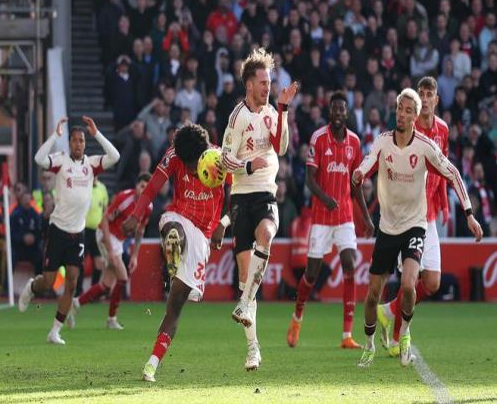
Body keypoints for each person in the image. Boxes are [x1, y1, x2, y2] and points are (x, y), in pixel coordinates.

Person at [352, 88, 482, 368]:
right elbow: (366, 162)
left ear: (415, 117)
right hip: (387, 228)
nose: (402, 114)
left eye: (408, 111)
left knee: (410, 284)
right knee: (372, 295)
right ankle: (370, 344)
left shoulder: (425, 146)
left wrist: (469, 214)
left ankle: (405, 333)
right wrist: (360, 172)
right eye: (400, 108)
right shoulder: (382, 142)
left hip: (415, 225)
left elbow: (453, 173)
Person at [122, 124, 229, 382]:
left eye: (194, 165)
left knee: (176, 304)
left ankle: (152, 363)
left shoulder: (220, 158)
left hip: (203, 234)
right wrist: (136, 215)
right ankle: (173, 251)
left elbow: (237, 194)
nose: (192, 170)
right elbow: (152, 187)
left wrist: (223, 223)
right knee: (173, 228)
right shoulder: (174, 155)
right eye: (187, 165)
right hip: (178, 216)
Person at [220, 47, 298, 371]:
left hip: (266, 192)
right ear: (249, 84)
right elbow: (225, 159)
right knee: (244, 274)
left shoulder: (272, 111)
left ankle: (243, 303)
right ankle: (253, 348)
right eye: (263, 83)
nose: (268, 87)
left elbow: (281, 146)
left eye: (270, 82)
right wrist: (249, 165)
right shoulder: (237, 117)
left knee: (266, 233)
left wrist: (284, 110)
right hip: (241, 196)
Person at [18, 116, 120, 345]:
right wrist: (54, 136)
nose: (78, 144)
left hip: (78, 233)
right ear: (69, 143)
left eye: (81, 140)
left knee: (72, 283)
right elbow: (38, 158)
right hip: (57, 231)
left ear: (85, 143)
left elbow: (115, 156)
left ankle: (55, 331)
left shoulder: (91, 164)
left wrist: (97, 133)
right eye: (74, 140)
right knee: (48, 282)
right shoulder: (61, 161)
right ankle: (32, 287)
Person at [286, 91, 375, 350]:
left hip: (345, 216)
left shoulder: (354, 142)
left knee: (350, 265)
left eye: (341, 109)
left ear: (346, 113)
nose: (337, 113)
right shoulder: (318, 138)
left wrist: (366, 218)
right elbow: (309, 179)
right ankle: (297, 317)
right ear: (330, 112)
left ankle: (347, 335)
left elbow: (356, 185)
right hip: (322, 217)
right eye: (334, 109)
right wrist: (325, 199)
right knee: (311, 273)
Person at [377, 76, 450, 356]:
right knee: (409, 280)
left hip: (429, 216)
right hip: (407, 217)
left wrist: (444, 204)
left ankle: (388, 311)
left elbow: (443, 169)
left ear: (436, 100)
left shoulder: (443, 130)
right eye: (422, 93)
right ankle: (397, 338)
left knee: (432, 282)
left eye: (429, 94)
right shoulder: (407, 129)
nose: (425, 98)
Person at [68, 173, 152, 330]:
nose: (144, 190)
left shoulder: (149, 207)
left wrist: (135, 256)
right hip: (105, 235)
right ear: (136, 186)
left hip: (118, 240)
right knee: (123, 277)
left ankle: (76, 303)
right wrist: (111, 251)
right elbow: (104, 220)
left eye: (148, 187)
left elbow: (140, 231)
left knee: (106, 285)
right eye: (142, 186)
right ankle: (111, 319)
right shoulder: (124, 198)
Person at [75, 176, 109, 295]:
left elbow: (105, 209)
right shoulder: (82, 187)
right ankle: (78, 291)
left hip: (97, 231)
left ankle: (93, 292)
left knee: (99, 262)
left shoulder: (102, 188)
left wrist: (104, 228)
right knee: (80, 261)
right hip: (83, 230)